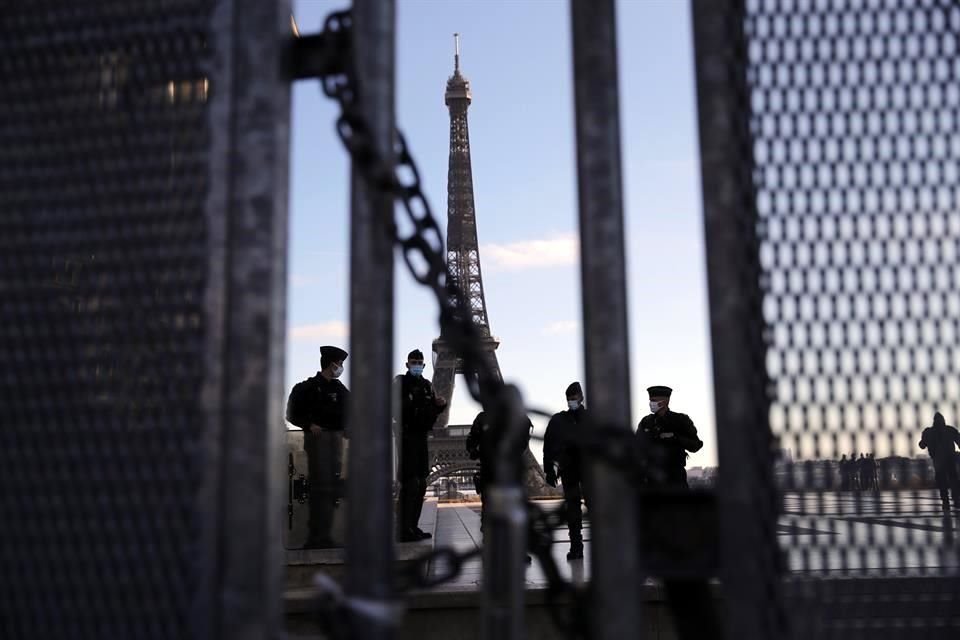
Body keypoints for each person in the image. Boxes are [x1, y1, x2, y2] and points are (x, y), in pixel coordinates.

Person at [285, 345, 350, 549]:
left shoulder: (340, 390)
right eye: (339, 364)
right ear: (331, 364)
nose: (341, 367)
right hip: (318, 440)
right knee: (320, 487)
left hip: (336, 440)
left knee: (329, 487)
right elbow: (291, 413)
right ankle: (316, 537)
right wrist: (308, 425)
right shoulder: (307, 388)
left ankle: (325, 535)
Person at [466, 410, 534, 564]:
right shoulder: (486, 418)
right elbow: (471, 443)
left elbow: (471, 444)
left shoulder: (486, 418)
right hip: (496, 471)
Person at [395, 349, 446, 542]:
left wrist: (440, 405)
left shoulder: (427, 385)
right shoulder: (400, 382)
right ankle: (403, 528)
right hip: (406, 435)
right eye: (414, 361)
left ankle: (412, 526)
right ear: (407, 364)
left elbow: (432, 411)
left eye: (420, 362)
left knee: (422, 483)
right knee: (411, 483)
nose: (417, 365)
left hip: (421, 436)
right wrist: (416, 405)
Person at [543, 382, 590, 561]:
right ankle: (576, 546)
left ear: (581, 397)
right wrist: (549, 470)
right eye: (569, 399)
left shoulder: (589, 418)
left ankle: (581, 547)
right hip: (570, 468)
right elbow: (549, 446)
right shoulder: (560, 420)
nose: (571, 401)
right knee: (572, 510)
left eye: (574, 398)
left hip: (587, 469)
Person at [636, 385, 703, 488]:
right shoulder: (646, 422)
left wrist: (675, 438)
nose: (651, 404)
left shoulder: (681, 420)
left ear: (664, 402)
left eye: (654, 400)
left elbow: (696, 445)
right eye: (650, 400)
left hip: (675, 479)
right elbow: (636, 448)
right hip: (652, 481)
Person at [919, 412, 960, 513]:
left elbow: (922, 445)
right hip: (950, 458)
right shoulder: (950, 430)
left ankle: (945, 502)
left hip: (938, 461)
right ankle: (956, 499)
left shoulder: (929, 432)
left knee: (942, 482)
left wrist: (925, 441)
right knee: (953, 479)